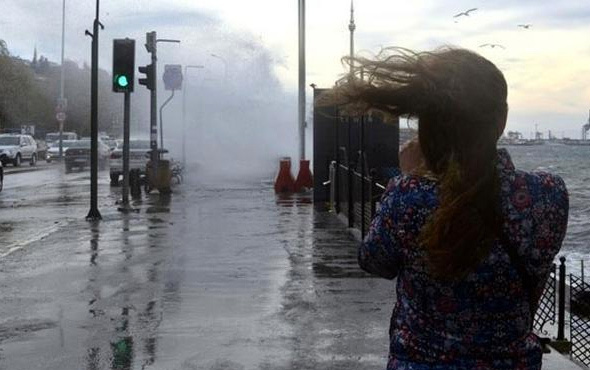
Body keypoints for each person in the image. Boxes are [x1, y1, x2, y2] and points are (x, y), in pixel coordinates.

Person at [339, 47, 569, 369]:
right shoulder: (549, 195)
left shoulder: (408, 196)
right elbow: (535, 277)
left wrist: (410, 178)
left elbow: (374, 261)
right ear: (501, 120)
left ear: (428, 126)